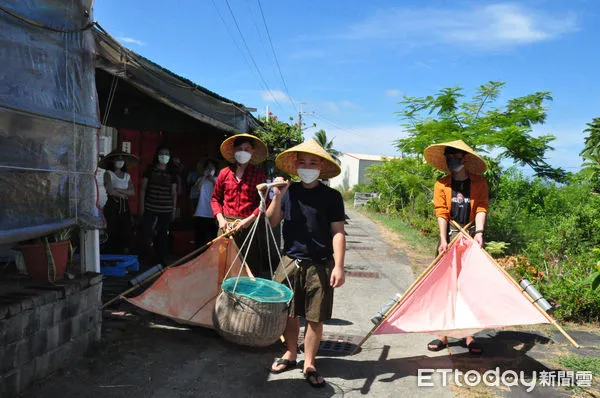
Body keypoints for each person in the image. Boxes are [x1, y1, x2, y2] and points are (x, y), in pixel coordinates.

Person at [267, 139, 346, 388]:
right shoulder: (288, 192)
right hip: (290, 260)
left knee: (315, 317)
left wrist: (339, 266)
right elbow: (271, 221)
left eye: (313, 162)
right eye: (302, 162)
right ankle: (291, 353)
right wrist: (277, 196)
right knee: (288, 314)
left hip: (320, 264)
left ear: (321, 166)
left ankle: (309, 362)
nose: (307, 166)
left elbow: (338, 232)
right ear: (295, 165)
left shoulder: (332, 197)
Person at [424, 139, 489, 355]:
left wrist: (479, 234)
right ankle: (442, 334)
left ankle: (468, 335)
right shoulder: (442, 184)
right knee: (446, 286)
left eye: (456, 156)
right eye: (448, 156)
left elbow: (481, 208)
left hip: (470, 236)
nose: (452, 159)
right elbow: (441, 212)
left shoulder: (479, 183)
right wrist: (443, 240)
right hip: (450, 236)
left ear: (465, 159)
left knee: (469, 287)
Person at [211, 133, 268, 276]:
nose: (243, 152)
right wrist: (221, 219)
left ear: (252, 152)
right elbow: (215, 199)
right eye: (240, 148)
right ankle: (223, 297)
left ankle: (245, 298)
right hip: (226, 228)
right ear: (234, 151)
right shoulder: (224, 173)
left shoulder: (258, 175)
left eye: (247, 149)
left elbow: (264, 203)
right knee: (224, 268)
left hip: (249, 227)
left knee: (248, 269)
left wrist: (249, 221)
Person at [138, 147, 177, 266]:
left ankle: (160, 259)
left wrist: (174, 209)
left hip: (166, 208)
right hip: (150, 206)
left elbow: (173, 192)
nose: (164, 156)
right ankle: (143, 258)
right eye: (161, 154)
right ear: (157, 155)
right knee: (146, 232)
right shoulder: (150, 170)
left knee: (162, 234)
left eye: (166, 154)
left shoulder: (172, 172)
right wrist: (141, 206)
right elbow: (142, 189)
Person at [100, 150, 138, 254]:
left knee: (125, 229)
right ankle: (110, 252)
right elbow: (110, 190)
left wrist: (119, 190)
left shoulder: (127, 176)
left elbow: (132, 191)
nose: (120, 161)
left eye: (122, 160)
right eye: (117, 159)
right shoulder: (108, 174)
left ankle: (121, 252)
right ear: (112, 161)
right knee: (112, 229)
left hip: (124, 206)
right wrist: (123, 194)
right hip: (113, 205)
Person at [192, 159, 218, 248]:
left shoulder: (218, 179)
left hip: (213, 213)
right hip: (201, 212)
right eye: (208, 168)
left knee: (214, 239)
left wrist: (212, 180)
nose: (210, 170)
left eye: (212, 168)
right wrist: (204, 176)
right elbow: (198, 189)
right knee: (200, 239)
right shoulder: (200, 179)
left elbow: (219, 191)